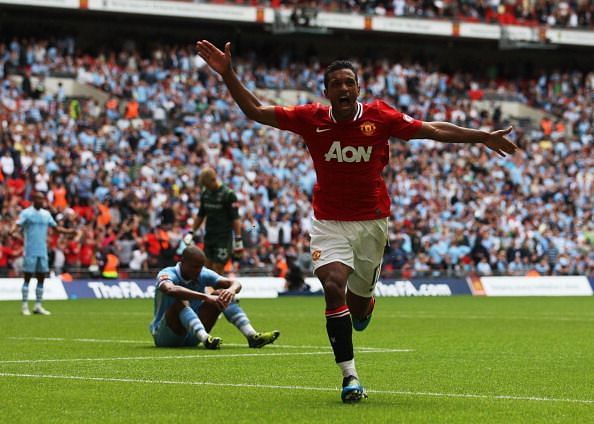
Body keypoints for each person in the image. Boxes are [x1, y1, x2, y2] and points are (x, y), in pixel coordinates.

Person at [196, 40, 519, 403]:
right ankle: (350, 377)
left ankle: (365, 303)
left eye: (350, 82)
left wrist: (482, 137)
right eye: (337, 84)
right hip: (329, 222)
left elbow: (432, 130)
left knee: (359, 308)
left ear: (358, 88)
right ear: (327, 92)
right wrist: (228, 74)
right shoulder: (310, 119)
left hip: (372, 223)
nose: (344, 88)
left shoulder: (380, 117)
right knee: (333, 286)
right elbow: (254, 110)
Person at [149, 245, 280, 349]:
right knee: (181, 301)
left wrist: (231, 290)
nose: (198, 271)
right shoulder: (167, 273)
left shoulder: (202, 273)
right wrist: (205, 297)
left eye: (200, 267)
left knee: (221, 294)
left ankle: (252, 336)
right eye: (195, 267)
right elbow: (170, 289)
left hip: (193, 336)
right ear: (182, 262)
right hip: (166, 336)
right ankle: (206, 338)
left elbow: (235, 283)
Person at [10, 192, 77, 315]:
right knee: (27, 278)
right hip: (30, 250)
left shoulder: (46, 214)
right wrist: (12, 229)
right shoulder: (27, 213)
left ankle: (38, 305)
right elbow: (18, 223)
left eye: (43, 199)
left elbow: (56, 228)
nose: (42, 201)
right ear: (34, 199)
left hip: (42, 251)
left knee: (41, 278)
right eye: (39, 199)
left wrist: (68, 232)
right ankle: (24, 305)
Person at [191, 167, 243, 275]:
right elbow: (201, 214)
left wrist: (238, 239)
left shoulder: (228, 194)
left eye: (207, 185)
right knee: (207, 266)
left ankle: (217, 291)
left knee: (218, 266)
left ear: (213, 180)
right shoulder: (205, 193)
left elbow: (235, 218)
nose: (206, 187)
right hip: (209, 235)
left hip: (223, 237)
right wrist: (192, 231)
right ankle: (209, 291)